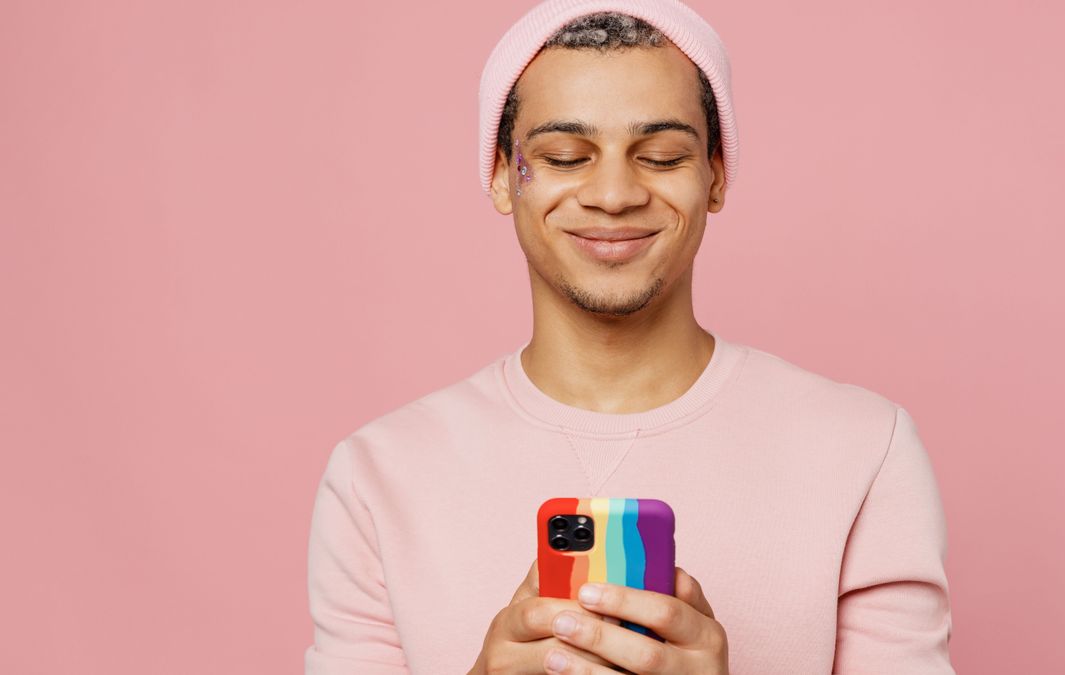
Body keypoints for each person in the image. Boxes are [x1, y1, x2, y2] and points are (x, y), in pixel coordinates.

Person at [304, 1, 955, 673]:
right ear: (502, 173)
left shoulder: (864, 451)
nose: (614, 193)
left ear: (717, 174)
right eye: (564, 155)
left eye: (662, 155)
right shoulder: (378, 478)